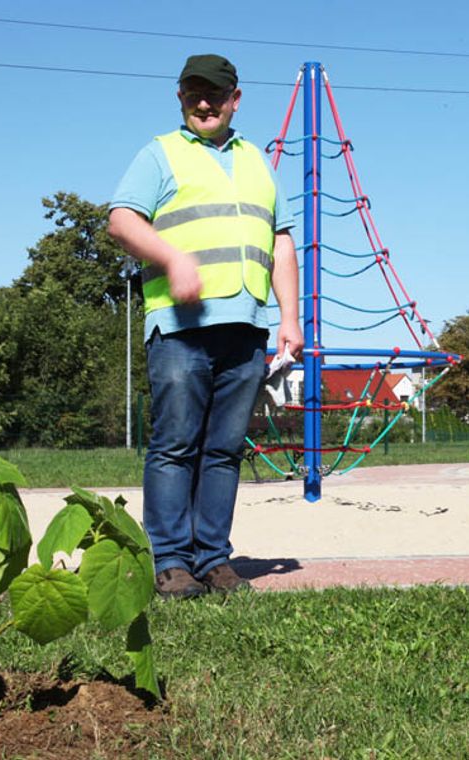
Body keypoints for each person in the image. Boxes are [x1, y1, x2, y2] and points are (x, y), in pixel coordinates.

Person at [108, 54, 303, 599]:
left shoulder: (257, 161)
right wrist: (173, 259)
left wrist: (289, 317)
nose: (204, 102)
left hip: (247, 327)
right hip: (180, 329)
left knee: (223, 449)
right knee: (175, 445)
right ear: (179, 97)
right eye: (194, 92)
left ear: (235, 99)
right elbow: (121, 219)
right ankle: (170, 561)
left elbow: (281, 240)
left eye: (214, 93)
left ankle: (214, 559)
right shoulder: (159, 154)